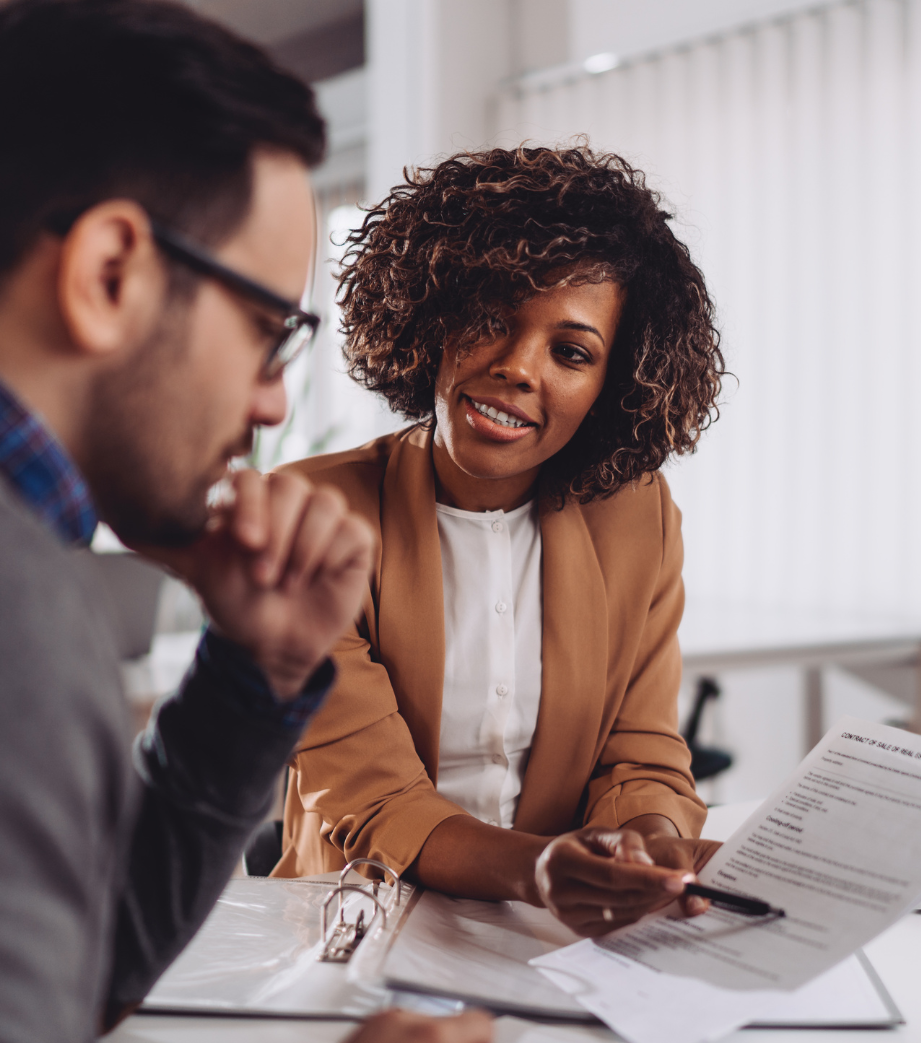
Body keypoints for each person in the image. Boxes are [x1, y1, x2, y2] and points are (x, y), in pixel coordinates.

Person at [0, 2, 491, 1041]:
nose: (275, 399)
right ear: (109, 273)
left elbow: (68, 967)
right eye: (267, 330)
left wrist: (254, 675)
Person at [275, 145, 726, 935]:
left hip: (551, 938)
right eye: (493, 316)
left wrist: (649, 850)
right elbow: (373, 799)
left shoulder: (638, 516)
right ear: (436, 311)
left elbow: (642, 753)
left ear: (612, 383)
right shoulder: (309, 511)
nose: (518, 367)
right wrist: (542, 869)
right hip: (352, 926)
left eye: (572, 352)